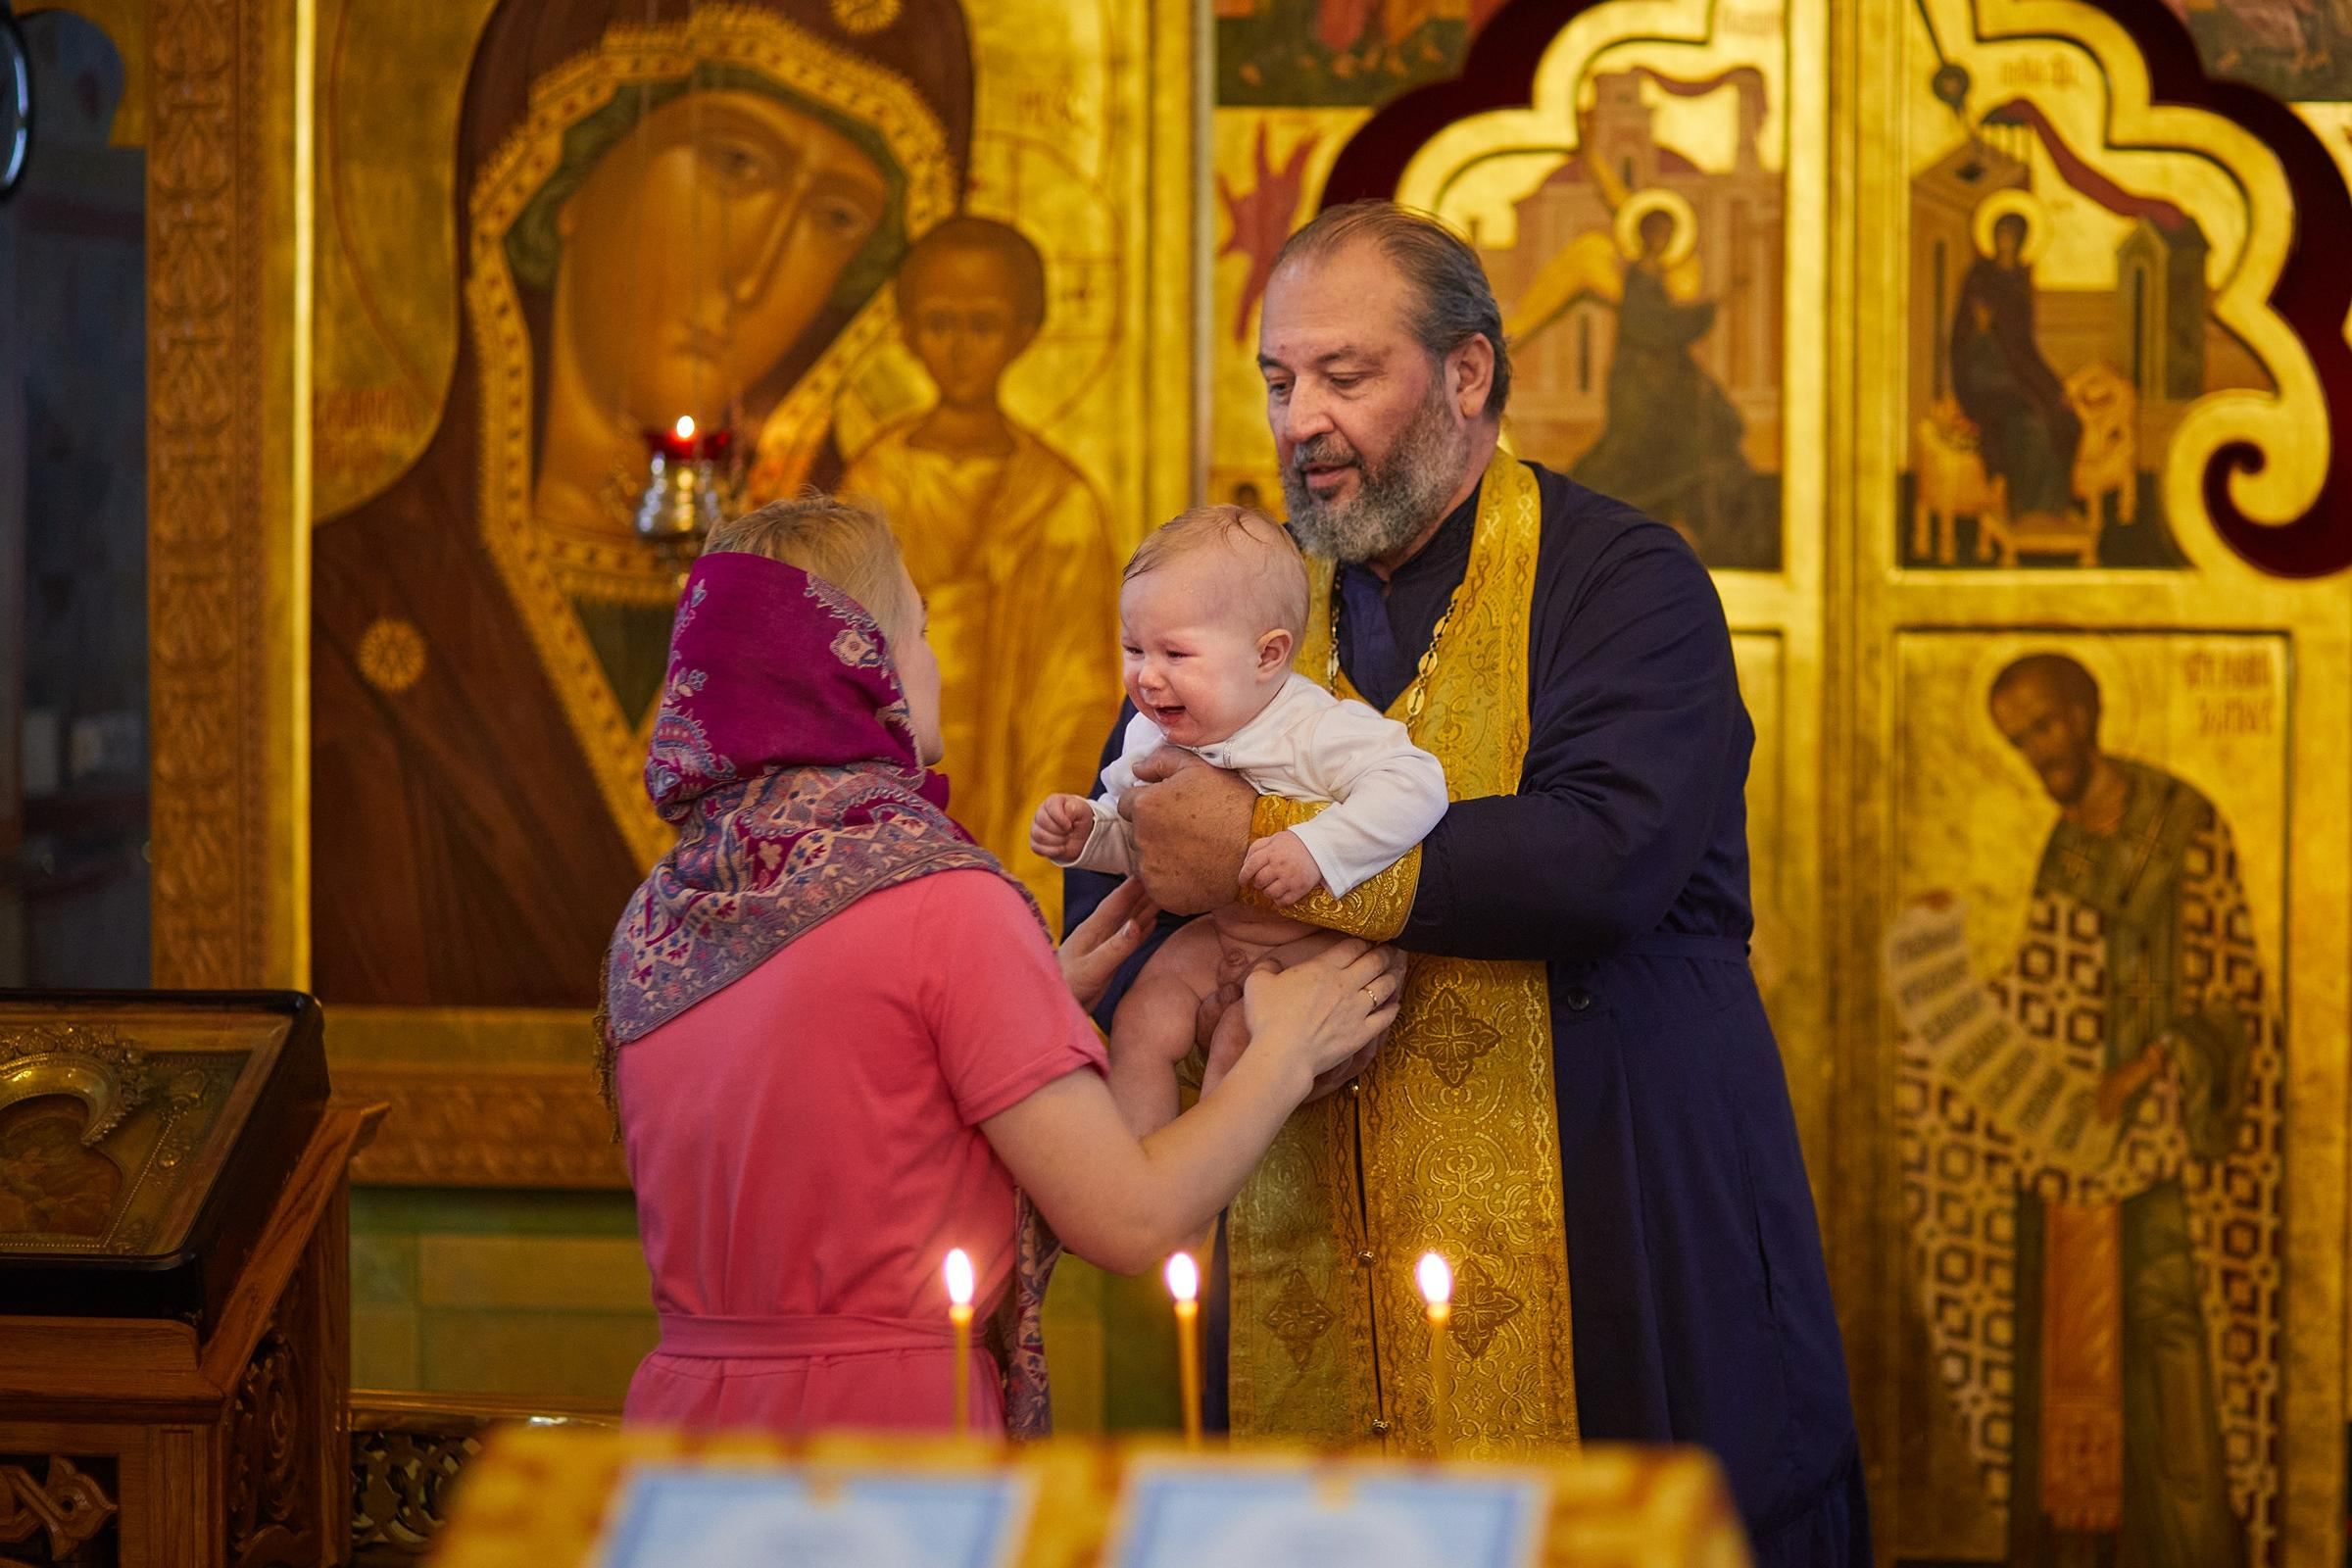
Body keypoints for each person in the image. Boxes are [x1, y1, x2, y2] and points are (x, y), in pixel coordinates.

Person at [1067, 200, 1865, 1563]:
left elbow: (1602, 855)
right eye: (1278, 381)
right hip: (1300, 1238)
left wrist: (1265, 857)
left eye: (1344, 375)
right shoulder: (1246, 600)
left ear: (1470, 373)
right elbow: (1143, 853)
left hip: (1604, 1233)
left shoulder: (1623, 581)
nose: (1301, 419)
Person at [603, 495, 1407, 1438]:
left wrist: (1036, 999)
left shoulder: (657, 914)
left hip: (675, 1434)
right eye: (921, 632)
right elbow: (1131, 1221)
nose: (935, 665)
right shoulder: (938, 901)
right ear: (858, 671)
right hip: (881, 1444)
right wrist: (1284, 1053)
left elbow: (837, 1110)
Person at [312, 0, 973, 1006]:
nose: (754, 274)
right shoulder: (343, 607)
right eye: (735, 165)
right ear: (560, 178)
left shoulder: (859, 597)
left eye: (837, 218)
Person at [1897, 653, 2278, 1564]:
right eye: (2019, 738)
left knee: (2170, 1342)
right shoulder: (2063, 846)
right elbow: (2050, 985)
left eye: (2046, 725)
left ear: (2088, 710)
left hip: (2173, 1149)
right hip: (2076, 1155)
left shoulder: (2183, 825)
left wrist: (2150, 1067)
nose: (2039, 750)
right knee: (2074, 1359)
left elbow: (2234, 995)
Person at [1031, 505, 1445, 1131]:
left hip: (1311, 947)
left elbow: (1418, 784)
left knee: (1242, 1045)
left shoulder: (1315, 729)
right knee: (1143, 1014)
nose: (1147, 676)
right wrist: (1092, 833)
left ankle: (1207, 1166)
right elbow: (1147, 844)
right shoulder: (1149, 732)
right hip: (1219, 935)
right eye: (1133, 648)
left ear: (1268, 656)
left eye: (1175, 652)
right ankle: (1138, 1173)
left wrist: (1316, 847)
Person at [840, 216, 1123, 925]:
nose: (960, 348)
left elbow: (1077, 692)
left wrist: (1047, 842)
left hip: (1014, 793)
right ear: (905, 330)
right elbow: (836, 656)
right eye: (939, 323)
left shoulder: (1059, 503)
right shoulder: (872, 488)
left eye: (983, 325)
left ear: (1025, 332)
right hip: (888, 800)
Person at [1951, 209, 2082, 533]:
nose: (2006, 241)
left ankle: (2051, 508)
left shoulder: (2021, 280)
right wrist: (1980, 331)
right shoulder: (1979, 276)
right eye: (2002, 233)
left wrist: (2054, 387)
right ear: (1993, 237)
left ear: (2022, 240)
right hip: (1984, 376)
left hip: (2017, 375)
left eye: (2013, 234)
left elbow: (2025, 347)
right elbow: (1962, 337)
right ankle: (2024, 510)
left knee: (2063, 417)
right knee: (2032, 423)